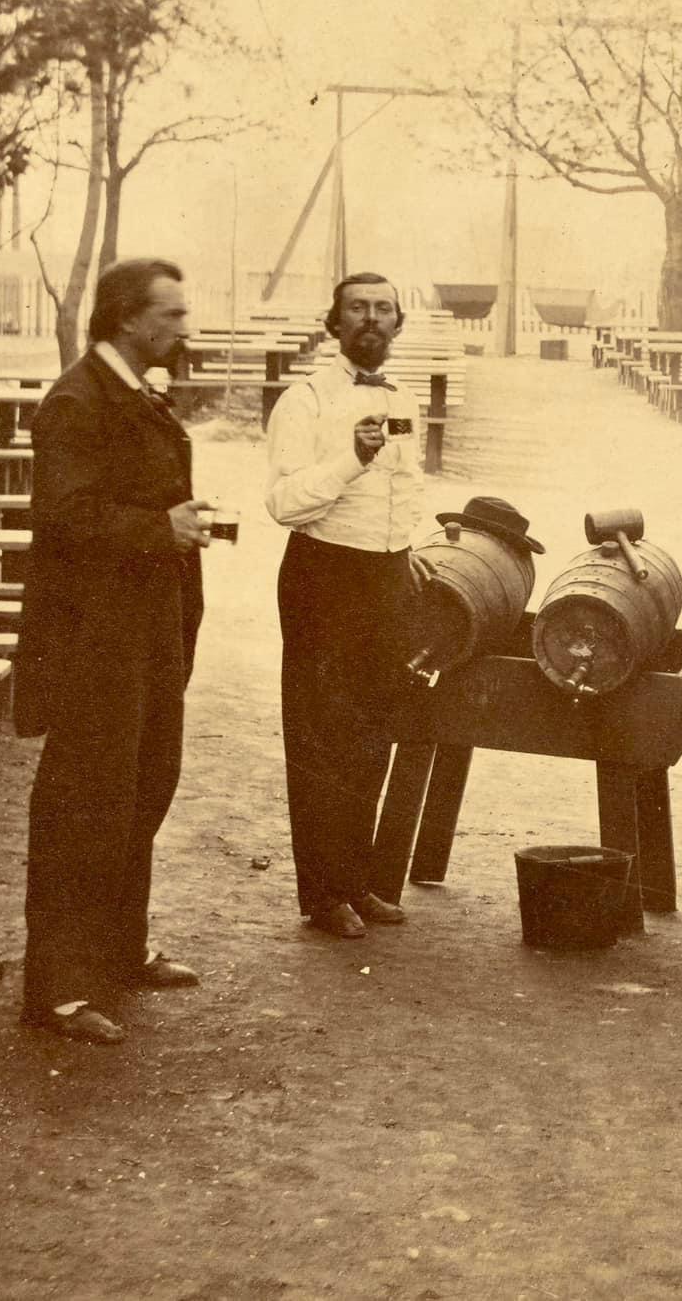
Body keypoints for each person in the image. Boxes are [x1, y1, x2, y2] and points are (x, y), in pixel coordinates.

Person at [16, 258, 210, 1043]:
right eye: (172, 314)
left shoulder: (137, 393)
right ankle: (56, 990)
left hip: (147, 628)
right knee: (82, 803)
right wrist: (157, 530)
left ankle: (119, 950)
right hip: (93, 638)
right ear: (129, 318)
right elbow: (64, 518)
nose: (183, 328)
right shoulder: (75, 401)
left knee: (143, 786)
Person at [265, 271, 428, 941]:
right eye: (357, 309)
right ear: (333, 323)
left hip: (387, 576)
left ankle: (356, 881)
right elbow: (283, 503)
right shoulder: (303, 400)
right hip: (324, 576)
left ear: (398, 325)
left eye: (383, 309)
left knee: (372, 735)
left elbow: (407, 480)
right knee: (320, 737)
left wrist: (409, 548)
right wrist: (348, 461)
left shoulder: (403, 396)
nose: (371, 320)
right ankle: (323, 895)